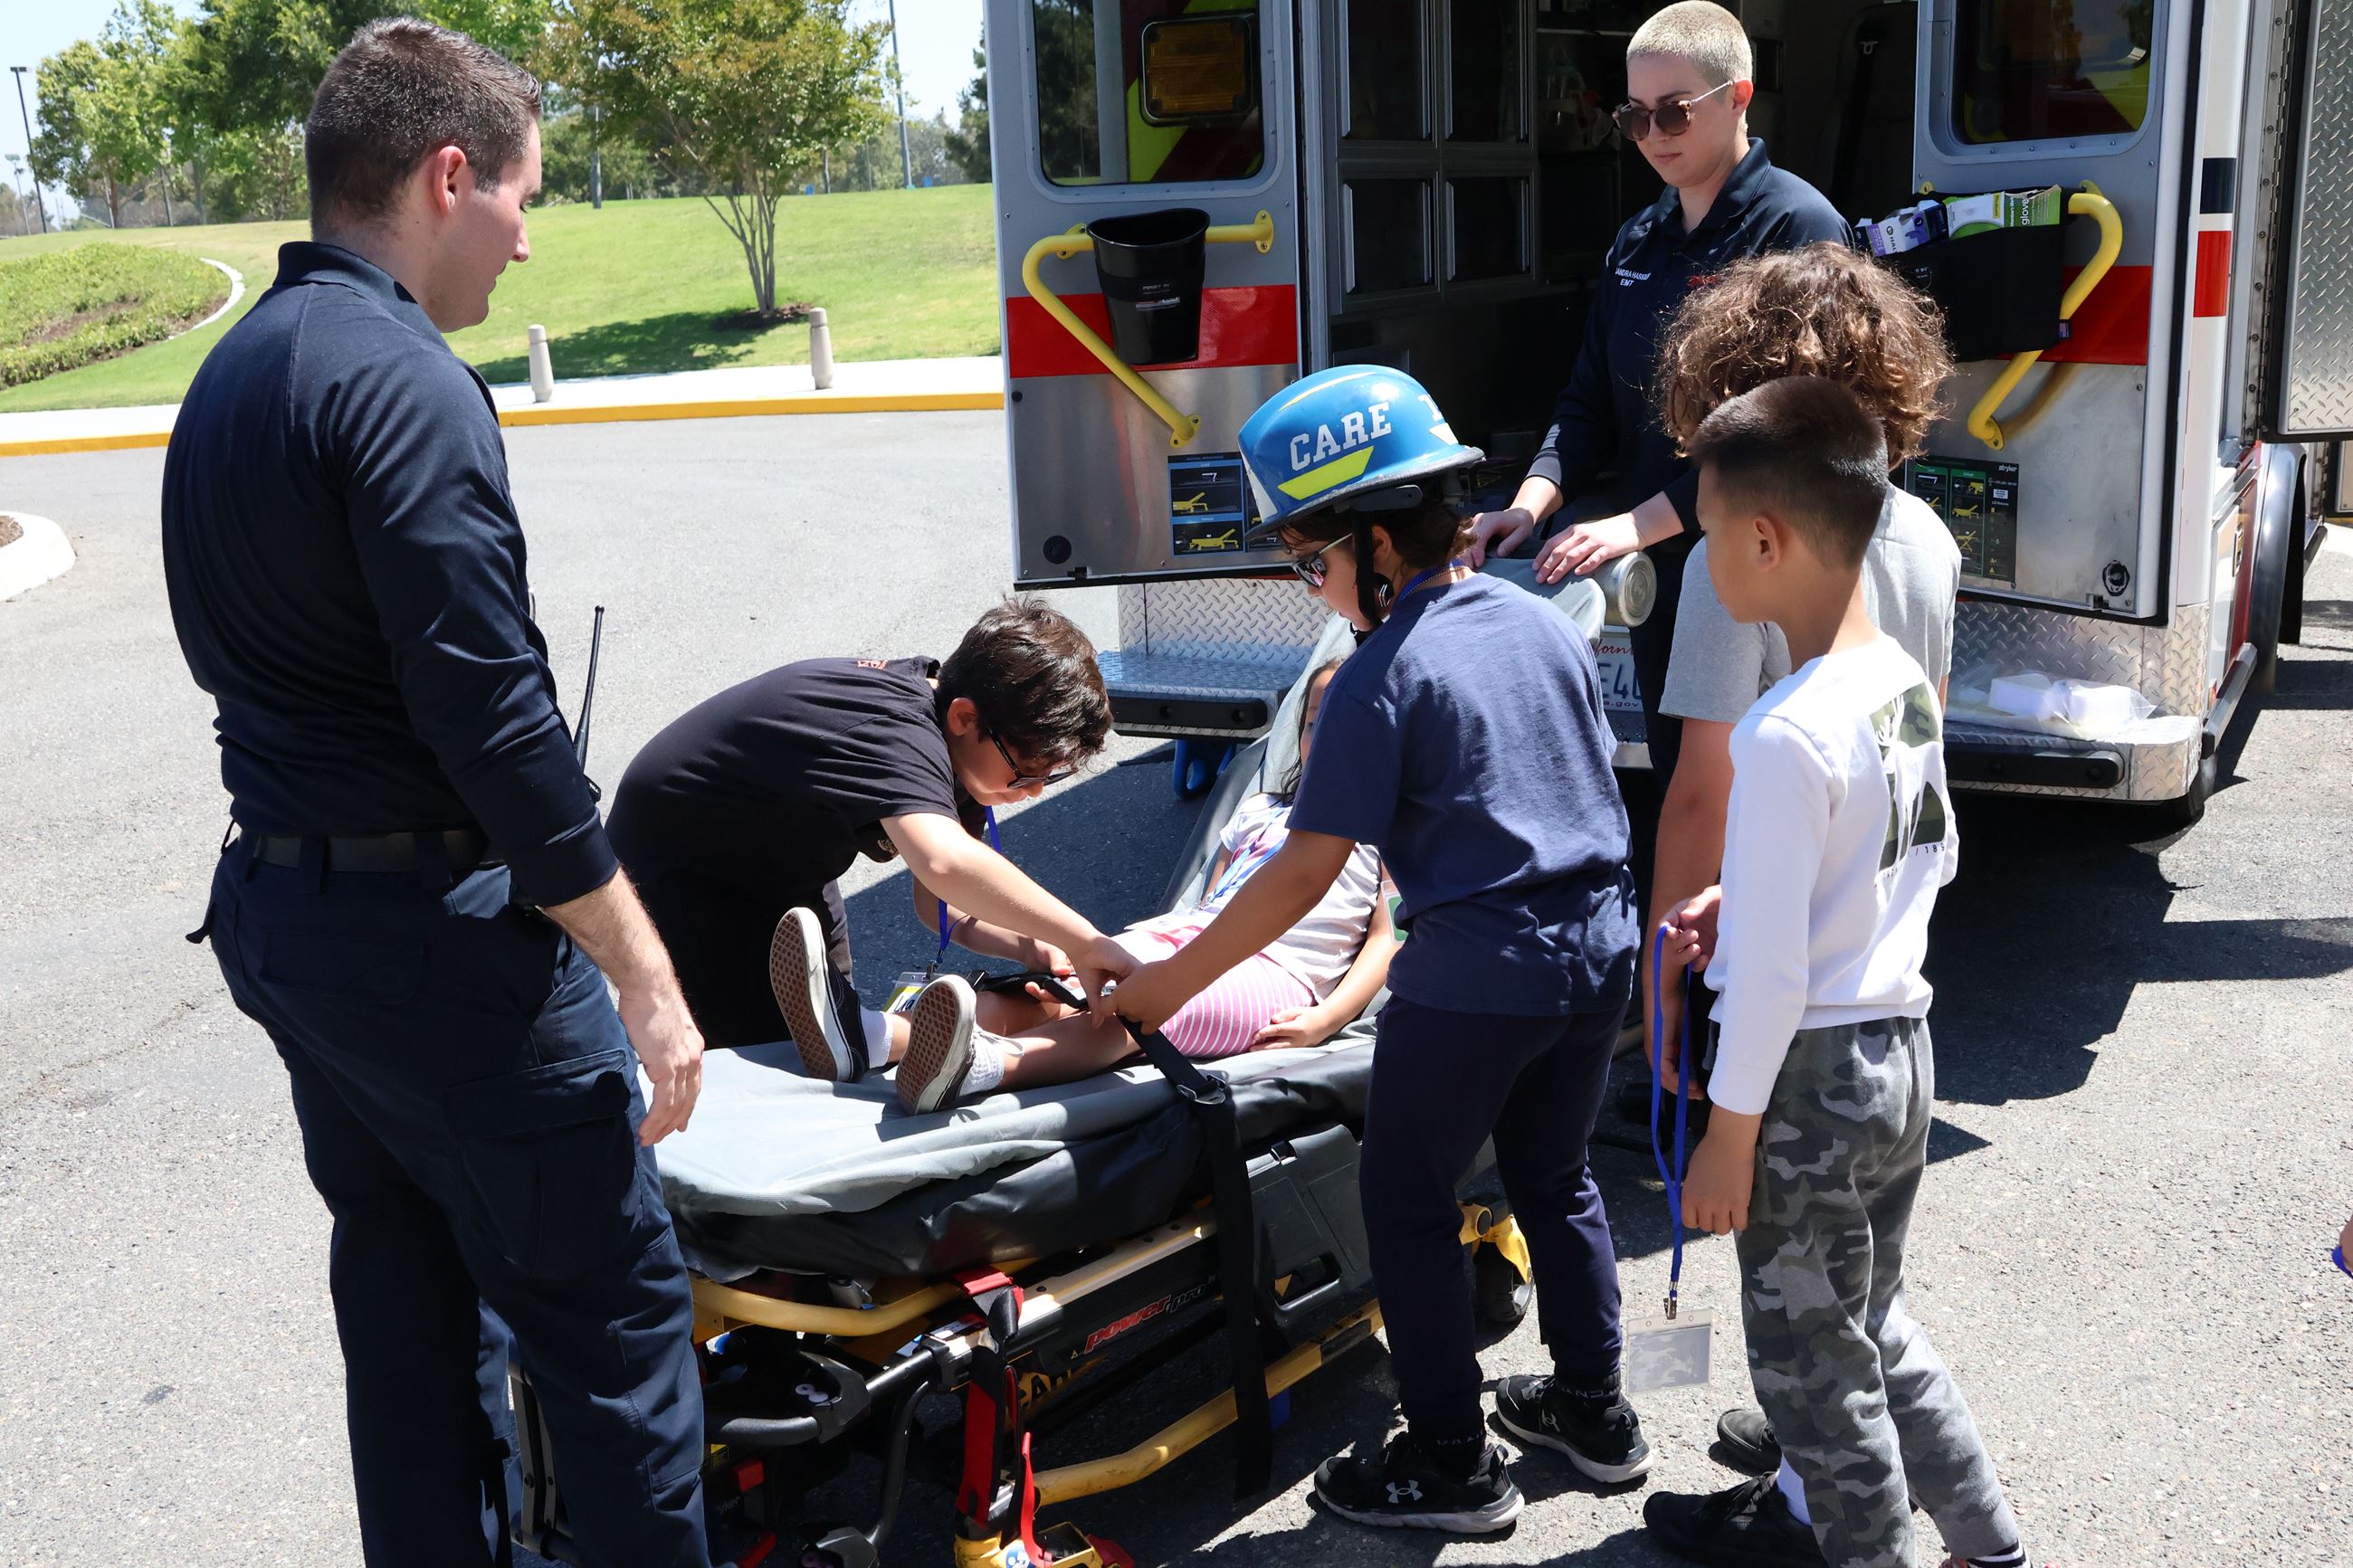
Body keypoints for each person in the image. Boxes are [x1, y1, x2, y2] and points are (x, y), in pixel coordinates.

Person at [161, 22, 708, 1565]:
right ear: (446, 174)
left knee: (409, 1331)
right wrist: (645, 975)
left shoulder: (234, 375)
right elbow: (499, 725)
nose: (527, 238)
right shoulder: (403, 382)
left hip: (293, 919)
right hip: (441, 949)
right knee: (616, 1343)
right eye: (520, 198)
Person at [1105, 366, 1646, 1534]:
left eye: (1315, 559)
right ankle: (1598, 1411)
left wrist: (1164, 985)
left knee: (1403, 1193)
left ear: (1378, 547)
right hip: (1599, 954)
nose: (1316, 584)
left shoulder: (1376, 676)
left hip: (1477, 980)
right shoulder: (1545, 625)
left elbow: (1305, 871)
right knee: (1557, 1174)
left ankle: (1453, 1461)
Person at [1642, 378, 2032, 1568]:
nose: (1705, 564)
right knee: (1871, 1327)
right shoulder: (1898, 686)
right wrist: (1761, 896)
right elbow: (1933, 847)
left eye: (1710, 536)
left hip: (1806, 1080)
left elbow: (1764, 983)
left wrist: (1726, 1135)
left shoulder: (1783, 728)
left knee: (1816, 1382)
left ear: (1767, 539)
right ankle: (1989, 1546)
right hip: (1900, 1053)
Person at [1638, 242, 1963, 1478]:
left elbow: (1702, 790)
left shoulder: (1739, 554)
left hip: (1789, 996)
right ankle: (1815, 1453)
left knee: (1786, 1266)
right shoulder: (1920, 531)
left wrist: (1666, 994)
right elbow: (1921, 745)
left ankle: (1808, 1498)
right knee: (1856, 1268)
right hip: (1886, 966)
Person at [1462, 0, 1849, 788]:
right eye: (1634, 118)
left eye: (1673, 112)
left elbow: (1788, 427)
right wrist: (1531, 503)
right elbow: (1589, 400)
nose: (1653, 135)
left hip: (1769, 563)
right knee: (1686, 782)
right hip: (1662, 569)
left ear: (1738, 96)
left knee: (1775, 789)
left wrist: (1635, 525)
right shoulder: (1638, 239)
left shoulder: (1800, 227)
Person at [605, 599, 1131, 1083]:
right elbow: (946, 863)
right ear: (965, 717)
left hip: (781, 865)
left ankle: (866, 1040)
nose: (1033, 791)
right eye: (1024, 772)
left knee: (831, 1034)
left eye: (1050, 777)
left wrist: (1034, 945)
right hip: (682, 868)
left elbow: (945, 907)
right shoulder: (896, 729)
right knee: (776, 1058)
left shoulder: (968, 749)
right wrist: (1084, 939)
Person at [872, 657, 1397, 1113]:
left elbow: (1386, 939)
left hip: (1282, 973)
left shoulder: (1386, 833)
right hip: (1199, 941)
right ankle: (877, 1037)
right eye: (1310, 723)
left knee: (1134, 1013)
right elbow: (1204, 908)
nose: (1321, 738)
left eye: (1341, 724)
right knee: (1060, 994)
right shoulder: (1262, 810)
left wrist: (1327, 1019)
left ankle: (984, 1067)